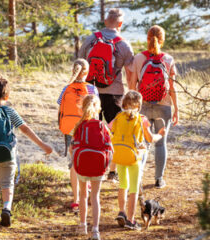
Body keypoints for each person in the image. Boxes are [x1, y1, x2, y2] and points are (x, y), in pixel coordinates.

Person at [0, 78, 53, 227]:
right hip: (8, 155)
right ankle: (6, 208)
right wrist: (43, 145)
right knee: (7, 184)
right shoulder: (10, 111)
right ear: (7, 96)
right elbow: (24, 129)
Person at [79, 8, 135, 182]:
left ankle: (90, 169)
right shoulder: (124, 44)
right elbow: (130, 71)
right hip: (114, 94)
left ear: (105, 22)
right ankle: (112, 173)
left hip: (92, 92)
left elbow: (81, 63)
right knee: (116, 132)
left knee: (90, 130)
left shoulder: (90, 39)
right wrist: (131, 93)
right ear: (120, 24)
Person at [128, 25, 179, 189]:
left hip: (142, 105)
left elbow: (132, 84)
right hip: (163, 106)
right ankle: (159, 179)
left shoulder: (138, 58)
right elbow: (172, 87)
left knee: (142, 143)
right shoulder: (169, 59)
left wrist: (132, 107)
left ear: (147, 39)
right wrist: (176, 108)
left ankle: (138, 179)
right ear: (162, 40)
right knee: (160, 143)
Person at [110, 90, 165, 230]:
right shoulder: (142, 118)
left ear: (123, 103)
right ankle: (130, 220)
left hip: (119, 154)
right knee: (133, 189)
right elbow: (150, 138)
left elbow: (108, 129)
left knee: (123, 185)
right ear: (139, 106)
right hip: (134, 157)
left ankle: (121, 212)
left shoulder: (118, 116)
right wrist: (160, 134)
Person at [57, 59, 100, 212]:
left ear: (72, 71)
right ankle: (86, 186)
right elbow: (97, 111)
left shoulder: (66, 88)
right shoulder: (92, 89)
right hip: (87, 128)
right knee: (87, 157)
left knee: (74, 164)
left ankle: (76, 200)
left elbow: (60, 106)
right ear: (87, 72)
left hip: (70, 129)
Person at [71, 95, 112, 240]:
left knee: (83, 195)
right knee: (95, 197)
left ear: (83, 108)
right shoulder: (102, 126)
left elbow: (72, 148)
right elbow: (110, 148)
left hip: (82, 166)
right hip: (98, 166)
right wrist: (106, 166)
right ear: (98, 108)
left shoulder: (79, 125)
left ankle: (82, 226)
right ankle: (95, 231)